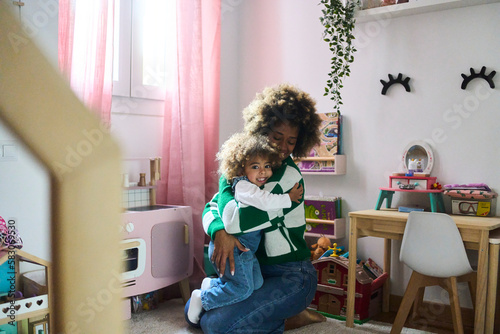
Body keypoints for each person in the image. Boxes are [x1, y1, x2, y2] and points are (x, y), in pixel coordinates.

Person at [185, 83, 324, 333]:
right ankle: (277, 317)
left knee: (216, 325)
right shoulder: (252, 169)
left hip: (292, 277)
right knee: (192, 312)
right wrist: (219, 231)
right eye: (277, 138)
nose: (283, 147)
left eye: (291, 141)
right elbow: (211, 207)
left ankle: (288, 315)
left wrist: (226, 185)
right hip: (253, 270)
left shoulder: (288, 179)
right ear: (261, 131)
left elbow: (237, 221)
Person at [186, 132, 303, 325]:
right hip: (234, 249)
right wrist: (288, 198)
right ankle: (203, 297)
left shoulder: (253, 184)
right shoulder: (244, 187)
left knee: (256, 284)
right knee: (244, 289)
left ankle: (212, 285)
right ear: (241, 169)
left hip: (245, 251)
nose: (263, 172)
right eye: (255, 167)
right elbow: (264, 201)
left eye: (267, 166)